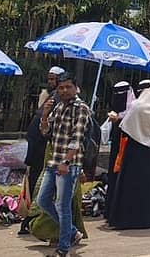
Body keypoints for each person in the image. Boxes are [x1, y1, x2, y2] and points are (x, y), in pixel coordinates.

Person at [37, 73, 89, 257]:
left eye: (68, 87)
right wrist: (44, 114)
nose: (65, 90)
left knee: (62, 205)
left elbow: (77, 138)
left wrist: (67, 162)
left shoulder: (81, 108)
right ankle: (73, 232)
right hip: (54, 162)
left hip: (68, 165)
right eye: (61, 88)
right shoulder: (58, 106)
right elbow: (45, 132)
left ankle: (63, 249)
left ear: (75, 87)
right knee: (42, 200)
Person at [108, 80, 150, 229]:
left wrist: (116, 120)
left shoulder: (137, 106)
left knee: (131, 185)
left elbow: (126, 126)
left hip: (135, 151)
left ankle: (129, 219)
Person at [19, 66, 63, 235]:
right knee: (35, 184)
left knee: (42, 188)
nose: (50, 82)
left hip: (48, 152)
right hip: (37, 148)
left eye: (54, 79)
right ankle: (30, 221)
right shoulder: (49, 97)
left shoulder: (61, 100)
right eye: (49, 79)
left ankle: (34, 222)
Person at [103, 81, 133, 221]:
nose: (117, 96)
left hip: (128, 149)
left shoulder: (134, 109)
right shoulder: (115, 110)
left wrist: (120, 120)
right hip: (116, 147)